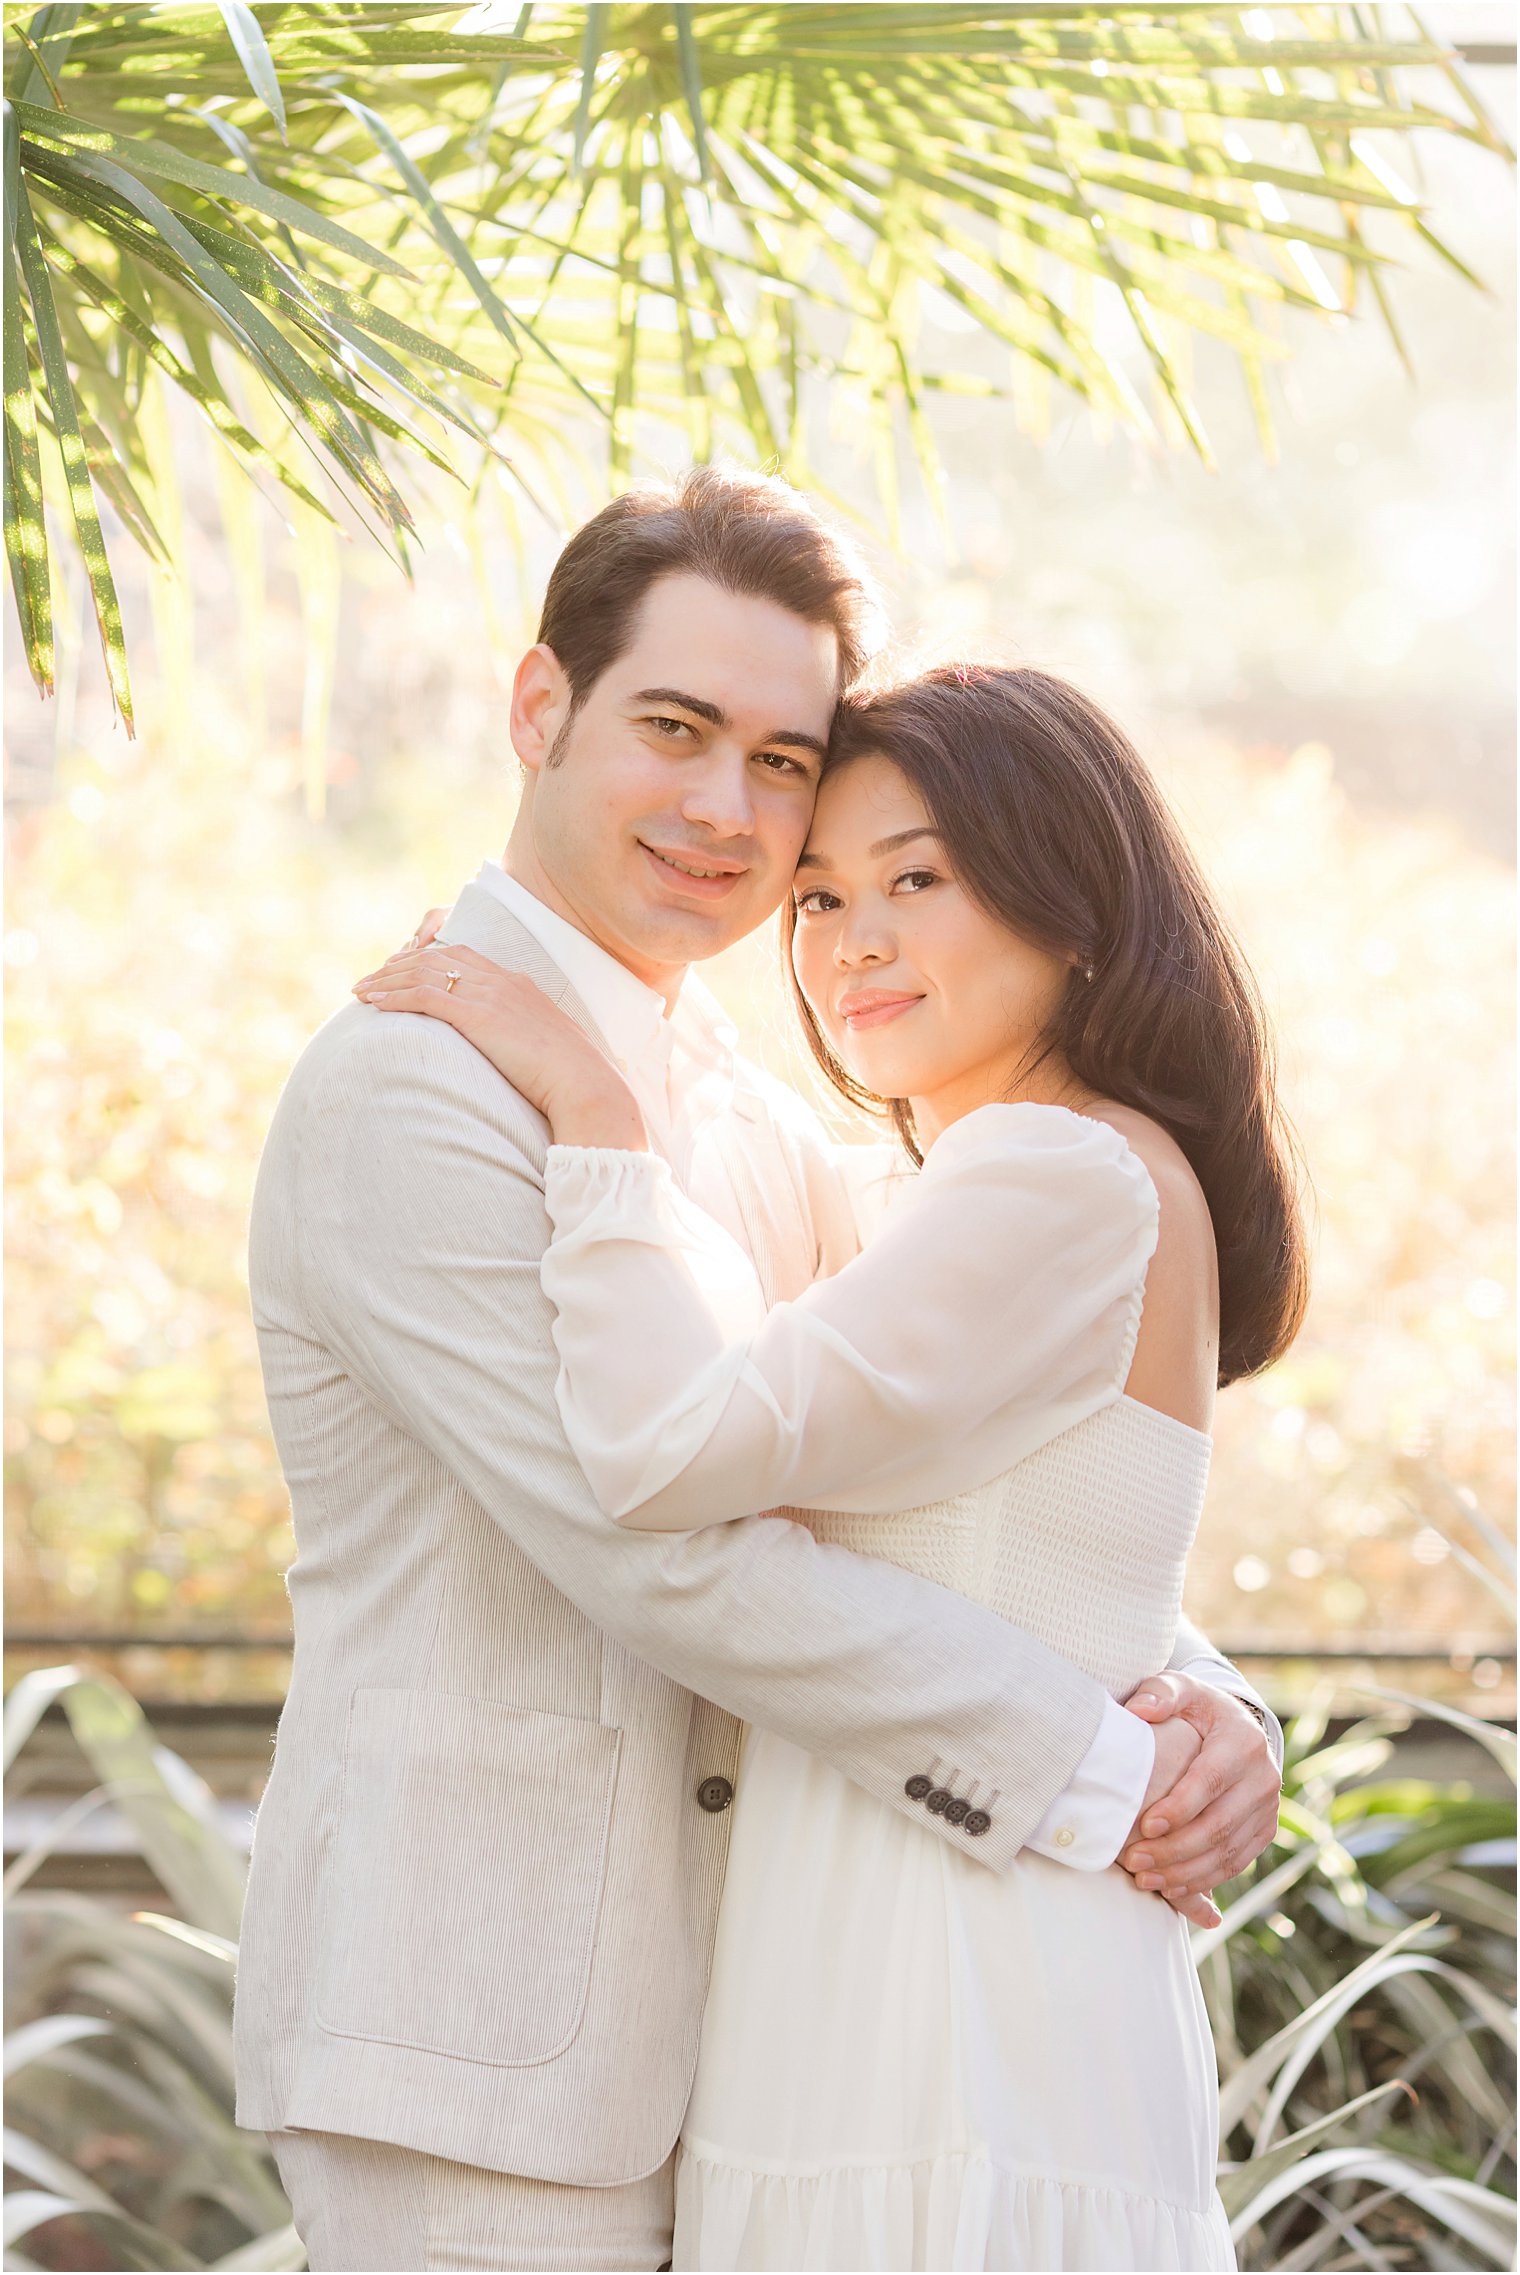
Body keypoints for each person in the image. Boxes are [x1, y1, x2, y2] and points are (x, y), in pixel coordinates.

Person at [237, 467, 1284, 2274]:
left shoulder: (721, 1100)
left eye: (782, 761)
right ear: (537, 709)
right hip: (489, 2063)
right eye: (674, 726)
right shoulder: (411, 1088)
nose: (730, 808)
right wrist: (1097, 1771)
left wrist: (1194, 1700)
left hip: (769, 2044)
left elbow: (926, 1475)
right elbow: (659, 1548)